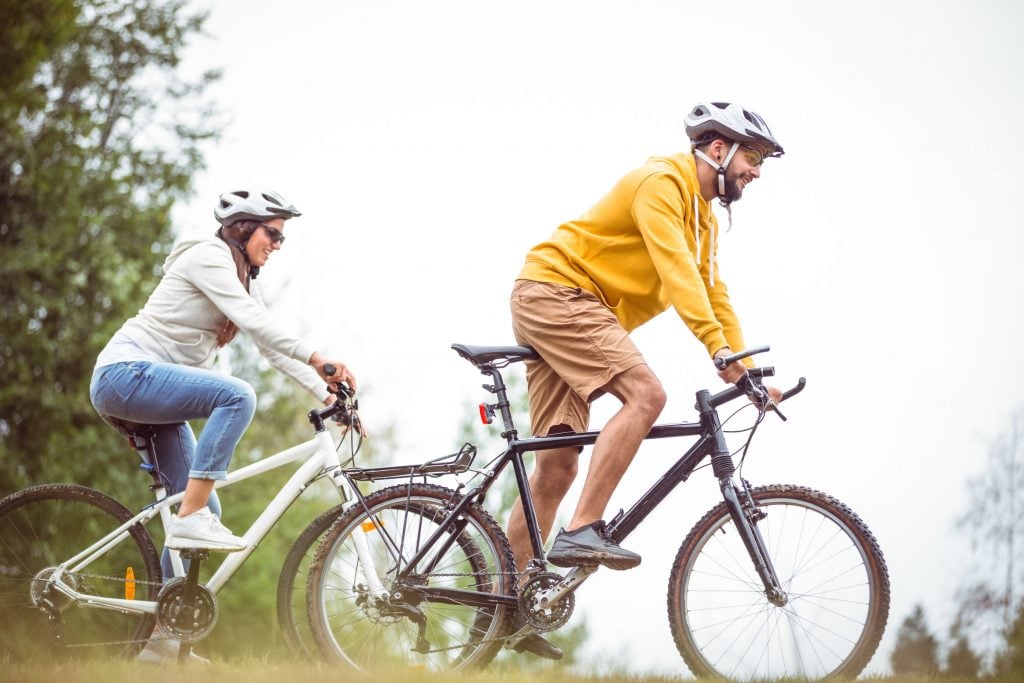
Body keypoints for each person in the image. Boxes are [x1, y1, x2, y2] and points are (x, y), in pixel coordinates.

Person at [505, 102, 785, 659]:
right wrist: (716, 348)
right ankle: (584, 527)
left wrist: (744, 367)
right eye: (752, 157)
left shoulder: (704, 218)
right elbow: (677, 272)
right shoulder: (661, 184)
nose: (757, 171)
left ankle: (507, 608)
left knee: (556, 465)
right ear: (716, 149)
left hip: (571, 305)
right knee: (647, 395)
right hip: (558, 292)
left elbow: (712, 289)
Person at [89, 188, 356, 660]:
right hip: (124, 375)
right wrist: (318, 357)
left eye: (281, 239)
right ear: (243, 227)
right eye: (272, 234)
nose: (276, 244)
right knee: (236, 395)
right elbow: (254, 323)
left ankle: (163, 644)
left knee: (205, 510)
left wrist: (328, 394)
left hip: (152, 396)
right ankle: (188, 518)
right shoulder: (209, 256)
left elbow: (269, 347)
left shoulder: (240, 278)